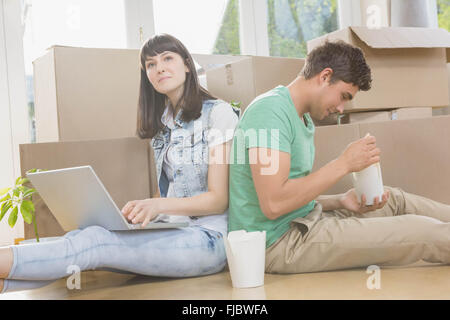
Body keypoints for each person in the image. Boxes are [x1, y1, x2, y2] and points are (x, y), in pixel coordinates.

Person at [0, 34, 239, 293]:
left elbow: (218, 200)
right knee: (88, 234)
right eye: (150, 64)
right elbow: (168, 193)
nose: (159, 68)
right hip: (178, 230)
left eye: (167, 58)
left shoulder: (219, 114)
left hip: (209, 239)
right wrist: (140, 213)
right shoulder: (163, 127)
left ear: (186, 65)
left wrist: (157, 204)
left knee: (95, 243)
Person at [228, 40, 450, 274]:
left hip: (302, 221)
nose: (342, 108)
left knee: (396, 199)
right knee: (420, 231)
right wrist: (343, 164)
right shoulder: (269, 112)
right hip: (278, 243)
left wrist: (339, 200)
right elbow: (273, 204)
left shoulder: (300, 116)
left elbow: (288, 197)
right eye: (343, 96)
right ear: (325, 76)